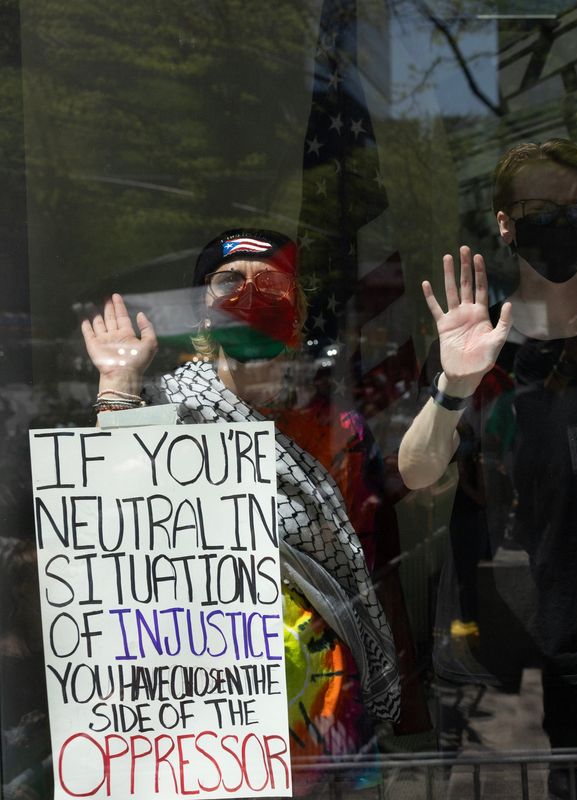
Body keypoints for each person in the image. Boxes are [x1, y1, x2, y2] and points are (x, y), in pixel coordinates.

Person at [397, 139, 577, 800]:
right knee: (551, 747)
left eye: (574, 207)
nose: (559, 221)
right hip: (515, 588)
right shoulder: (474, 341)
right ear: (504, 222)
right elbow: (417, 473)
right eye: (538, 207)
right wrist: (453, 385)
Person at [79, 229, 410, 793]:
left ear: (298, 308)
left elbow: (370, 558)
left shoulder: (339, 429)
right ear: (203, 314)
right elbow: (119, 531)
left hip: (326, 709)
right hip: (215, 716)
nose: (251, 293)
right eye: (228, 280)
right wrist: (117, 386)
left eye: (272, 281)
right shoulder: (165, 411)